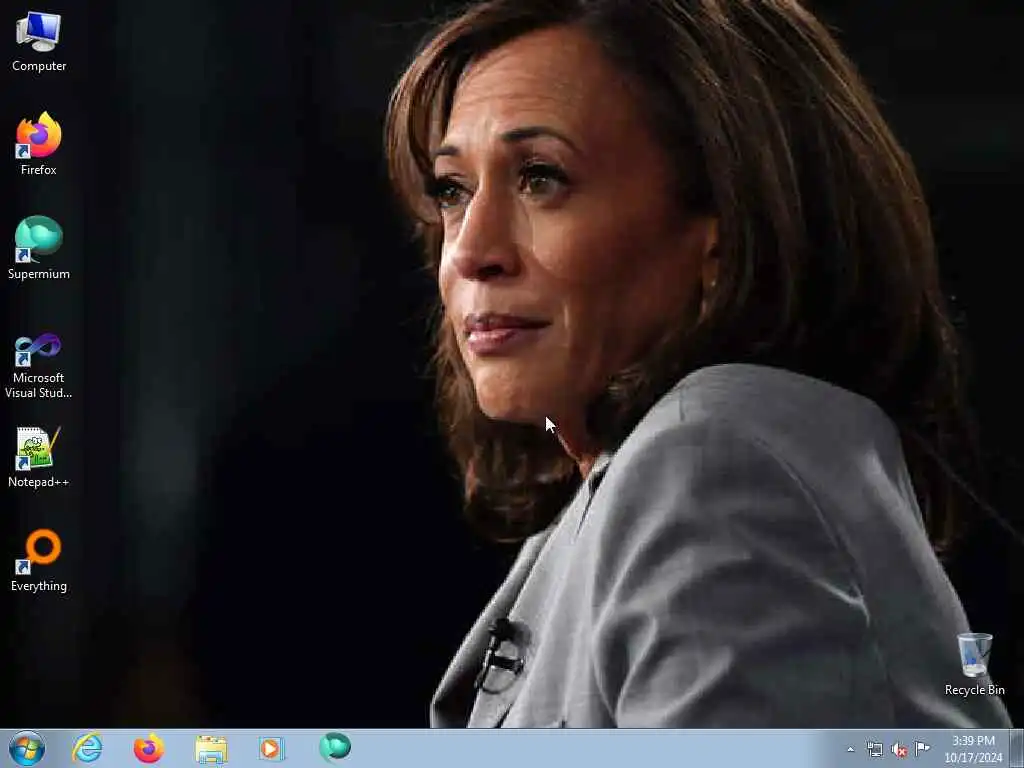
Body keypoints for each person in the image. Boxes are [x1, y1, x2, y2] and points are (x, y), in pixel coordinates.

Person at [384, 0, 1013, 727]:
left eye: (541, 177)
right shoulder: (671, 471)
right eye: (452, 190)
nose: (469, 251)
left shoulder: (712, 467)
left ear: (724, 231)